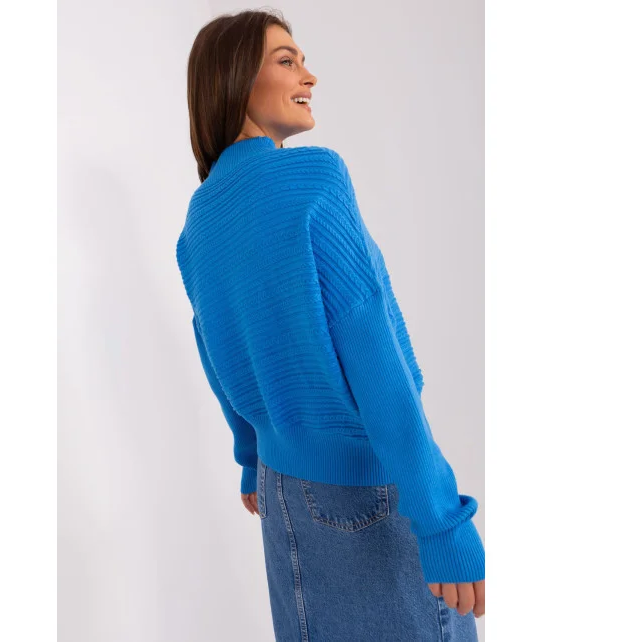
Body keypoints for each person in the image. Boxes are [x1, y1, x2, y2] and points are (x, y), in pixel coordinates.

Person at [176, 9, 485, 640]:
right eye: (286, 60)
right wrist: (441, 520)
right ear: (237, 79)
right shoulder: (314, 179)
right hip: (361, 493)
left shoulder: (197, 223)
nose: (309, 76)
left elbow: (215, 349)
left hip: (279, 491)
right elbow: (374, 353)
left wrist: (250, 456)